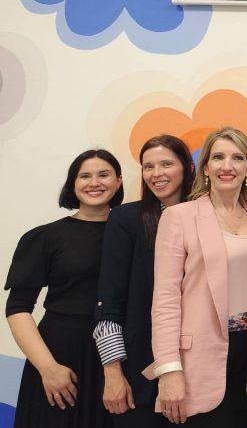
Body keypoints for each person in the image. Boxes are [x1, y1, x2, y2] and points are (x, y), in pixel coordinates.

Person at [146, 127, 247, 427]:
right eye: (218, 157)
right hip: (199, 359)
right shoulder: (178, 216)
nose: (227, 166)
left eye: (237, 158)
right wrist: (169, 370)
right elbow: (165, 300)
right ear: (205, 167)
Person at [5, 149, 124, 428]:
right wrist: (48, 368)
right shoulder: (46, 237)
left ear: (118, 181)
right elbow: (18, 308)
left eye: (103, 174)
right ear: (73, 183)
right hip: (59, 357)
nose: (94, 182)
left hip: (119, 356)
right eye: (85, 176)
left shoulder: (136, 232)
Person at [94, 135, 196, 427]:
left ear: (188, 167)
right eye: (148, 166)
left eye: (166, 164)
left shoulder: (207, 217)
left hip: (199, 368)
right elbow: (109, 300)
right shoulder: (126, 219)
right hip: (139, 371)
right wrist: (113, 372)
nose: (156, 173)